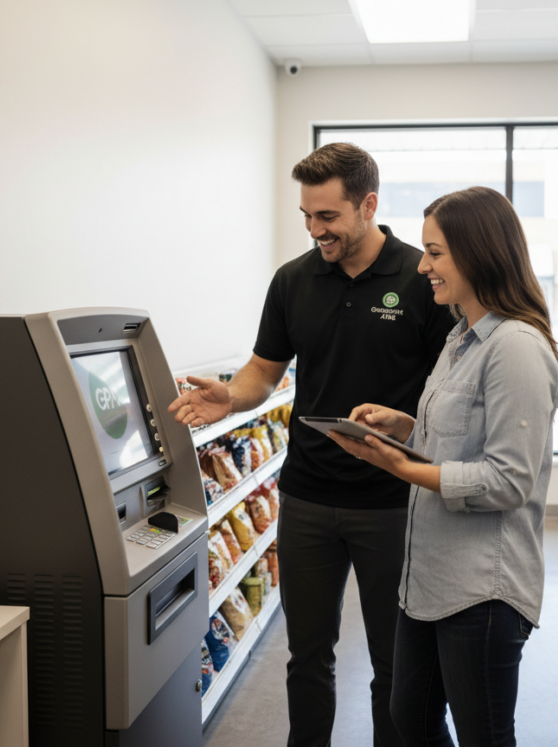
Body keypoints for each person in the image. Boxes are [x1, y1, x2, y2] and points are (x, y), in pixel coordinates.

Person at [167, 143, 452, 747]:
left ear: (368, 205)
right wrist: (232, 397)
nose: (314, 229)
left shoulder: (420, 277)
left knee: (395, 663)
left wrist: (406, 422)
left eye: (328, 217)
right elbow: (263, 372)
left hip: (393, 500)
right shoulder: (293, 280)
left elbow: (448, 390)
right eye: (306, 215)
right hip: (308, 500)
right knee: (308, 659)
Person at [326, 186, 558, 747]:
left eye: (434, 253)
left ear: (477, 253)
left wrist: (399, 466)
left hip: (482, 590)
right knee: (409, 718)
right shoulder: (461, 337)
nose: (422, 266)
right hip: (428, 582)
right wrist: (406, 428)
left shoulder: (514, 347)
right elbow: (464, 439)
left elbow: (509, 479)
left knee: (483, 734)